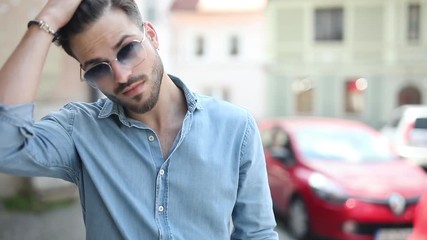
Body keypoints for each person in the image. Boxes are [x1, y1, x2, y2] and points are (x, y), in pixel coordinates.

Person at [0, 0, 278, 239]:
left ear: (152, 36)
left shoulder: (235, 128)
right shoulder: (79, 130)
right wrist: (48, 19)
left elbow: (257, 234)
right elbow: (5, 145)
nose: (121, 75)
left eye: (127, 49)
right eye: (98, 68)